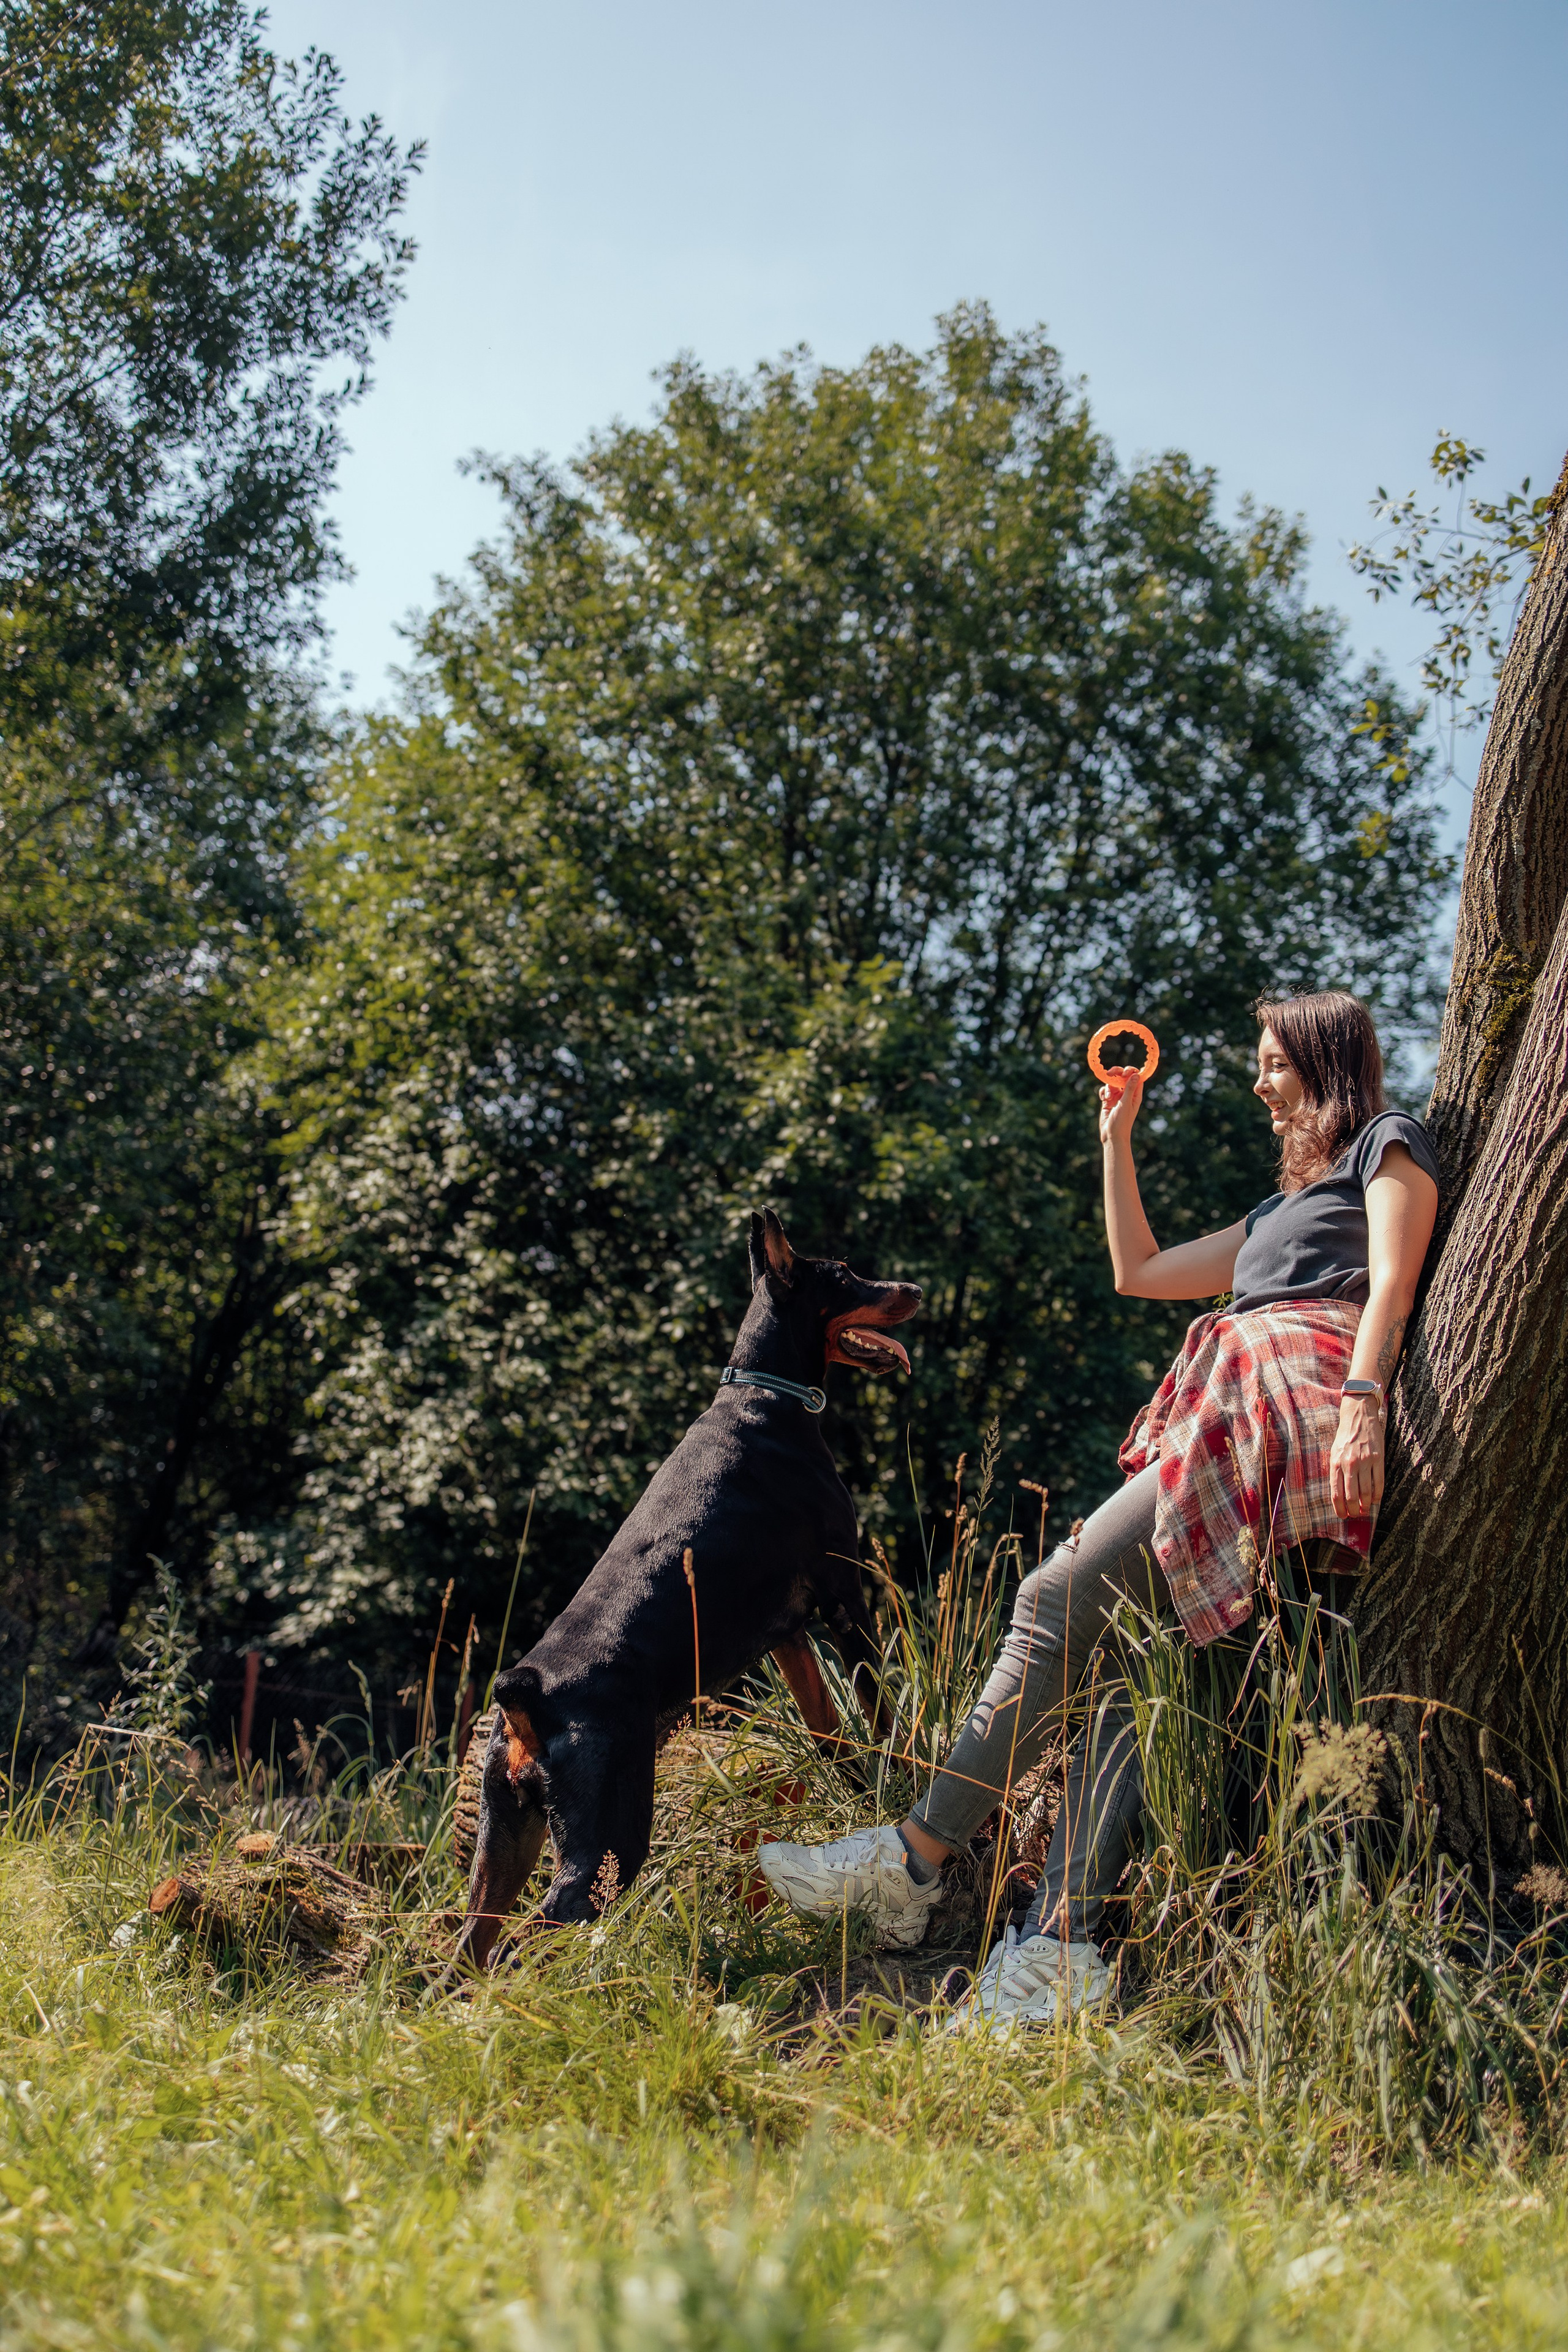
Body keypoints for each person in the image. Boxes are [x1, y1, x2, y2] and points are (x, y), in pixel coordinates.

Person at [759, 991, 1440, 2029]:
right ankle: (1057, 1949)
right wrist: (1117, 1141)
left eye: (1272, 1064)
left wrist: (1363, 1403)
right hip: (1228, 1414)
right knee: (1133, 1660)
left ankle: (913, 1862)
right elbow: (1140, 1273)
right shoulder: (1271, 1215)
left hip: (1291, 1408)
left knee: (1049, 1600)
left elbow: (1393, 1277)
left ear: (1322, 1057)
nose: (1259, 1085)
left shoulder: (1386, 1146)